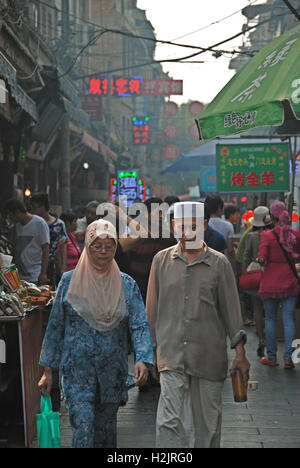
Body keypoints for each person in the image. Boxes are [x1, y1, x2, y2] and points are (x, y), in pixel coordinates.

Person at [38, 219, 154, 448]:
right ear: (87, 247)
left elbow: (139, 324)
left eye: (109, 245)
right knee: (83, 429)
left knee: (106, 432)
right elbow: (55, 327)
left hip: (112, 373)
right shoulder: (69, 282)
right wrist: (47, 371)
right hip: (77, 372)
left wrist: (143, 358)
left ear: (116, 248)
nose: (103, 251)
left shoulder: (126, 285)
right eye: (97, 245)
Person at [146, 201, 250, 448]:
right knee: (168, 421)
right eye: (181, 226)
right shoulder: (161, 261)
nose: (187, 232)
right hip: (170, 353)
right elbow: (151, 310)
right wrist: (148, 350)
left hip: (208, 354)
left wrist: (240, 353)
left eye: (193, 225)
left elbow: (231, 309)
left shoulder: (219, 263)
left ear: (204, 225)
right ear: (173, 227)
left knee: (208, 424)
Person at [258, 201, 300, 369]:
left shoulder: (267, 235)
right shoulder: (295, 234)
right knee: (288, 319)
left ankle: (272, 357)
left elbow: (262, 258)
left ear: (272, 217)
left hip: (270, 282)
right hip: (290, 280)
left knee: (270, 319)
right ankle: (288, 359)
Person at [129, 197, 177, 303]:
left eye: (163, 213)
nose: (161, 216)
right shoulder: (132, 238)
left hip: (162, 289)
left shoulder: (169, 238)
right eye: (158, 213)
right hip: (138, 290)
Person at [242, 206, 272, 358]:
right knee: (270, 310)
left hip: (254, 272)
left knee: (257, 308)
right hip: (270, 272)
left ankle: (261, 339)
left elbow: (246, 256)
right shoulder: (272, 235)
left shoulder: (251, 236)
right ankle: (269, 340)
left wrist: (243, 273)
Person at [4, 199, 49, 285]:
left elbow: (46, 249)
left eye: (10, 216)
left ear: (17, 212)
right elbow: (14, 248)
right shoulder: (15, 226)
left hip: (35, 275)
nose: (10, 219)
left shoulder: (39, 223)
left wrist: (43, 273)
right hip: (19, 277)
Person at [30, 193, 68, 287]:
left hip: (50, 265)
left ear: (44, 206)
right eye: (33, 207)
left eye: (37, 207)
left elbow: (63, 246)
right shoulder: (31, 223)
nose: (34, 210)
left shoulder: (58, 224)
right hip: (32, 263)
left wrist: (63, 268)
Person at [205, 194, 237, 275]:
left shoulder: (201, 224)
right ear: (220, 208)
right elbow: (230, 251)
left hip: (204, 265)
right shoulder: (228, 225)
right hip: (221, 265)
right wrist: (233, 272)